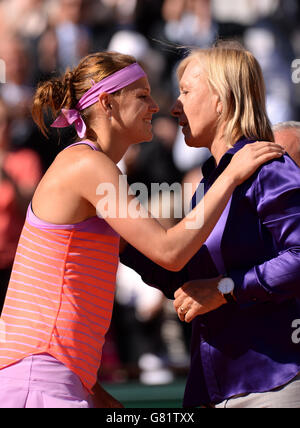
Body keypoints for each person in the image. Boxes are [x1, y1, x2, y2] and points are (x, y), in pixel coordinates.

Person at [0, 50, 283, 409]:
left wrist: (231, 288)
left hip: (59, 379)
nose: (156, 105)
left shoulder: (91, 167)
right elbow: (169, 251)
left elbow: (164, 267)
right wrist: (231, 174)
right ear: (107, 103)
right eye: (142, 95)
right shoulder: (86, 164)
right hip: (38, 380)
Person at [120, 42, 300, 408]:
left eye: (186, 92)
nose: (174, 107)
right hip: (218, 384)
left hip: (273, 384)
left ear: (222, 99)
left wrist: (226, 287)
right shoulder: (210, 182)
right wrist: (122, 243)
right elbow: (189, 283)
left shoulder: (268, 167)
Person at [0, 98, 42, 313]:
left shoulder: (26, 160)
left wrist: (7, 175)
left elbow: (31, 208)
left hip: (14, 263)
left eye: (5, 121)